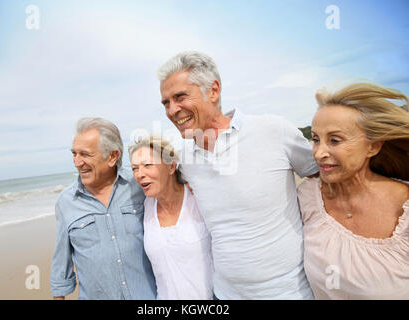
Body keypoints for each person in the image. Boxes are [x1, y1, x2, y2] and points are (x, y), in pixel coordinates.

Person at [157, 51, 319, 299]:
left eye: (180, 97)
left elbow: (326, 175)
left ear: (213, 91)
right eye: (166, 103)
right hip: (226, 295)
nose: (172, 110)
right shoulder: (186, 162)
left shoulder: (273, 130)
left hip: (289, 292)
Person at [297, 83, 409, 299]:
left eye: (335, 140)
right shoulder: (308, 197)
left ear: (373, 146)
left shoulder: (404, 207)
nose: (319, 153)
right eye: (316, 139)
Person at [50, 117, 156, 300]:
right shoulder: (66, 202)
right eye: (74, 154)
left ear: (113, 157)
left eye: (85, 154)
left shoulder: (139, 185)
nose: (77, 162)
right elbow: (61, 270)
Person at [129, 136, 214, 300]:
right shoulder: (145, 206)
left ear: (171, 166)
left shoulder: (198, 197)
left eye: (148, 165)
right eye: (134, 168)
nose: (140, 174)